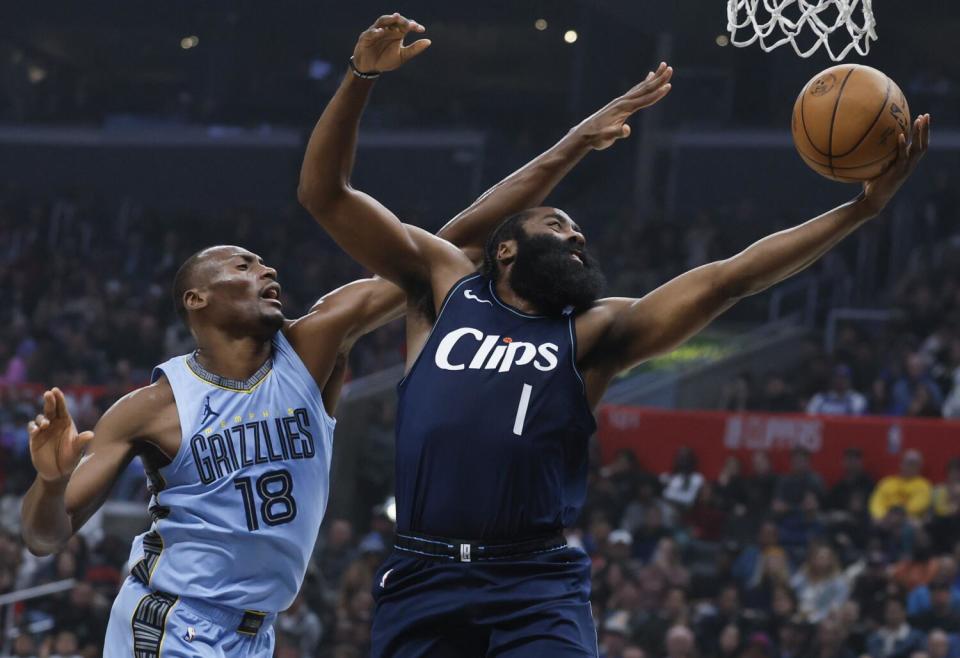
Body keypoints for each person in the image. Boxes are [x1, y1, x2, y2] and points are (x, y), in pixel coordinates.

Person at [306, 13, 930, 657]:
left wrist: (860, 211)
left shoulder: (594, 331)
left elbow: (728, 280)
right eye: (558, 224)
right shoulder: (441, 293)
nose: (577, 235)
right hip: (422, 576)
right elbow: (326, 194)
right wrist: (358, 80)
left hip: (532, 585)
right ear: (506, 251)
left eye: (580, 231)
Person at [17, 22, 614, 654]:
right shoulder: (151, 408)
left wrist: (572, 146)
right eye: (242, 265)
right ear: (196, 298)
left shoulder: (314, 344)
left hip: (257, 633)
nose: (266, 269)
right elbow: (45, 537)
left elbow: (462, 238)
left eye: (264, 263)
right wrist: (51, 484)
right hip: (168, 621)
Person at [870, 450, 933, 522]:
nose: (910, 467)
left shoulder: (924, 485)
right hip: (884, 519)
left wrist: (896, 517)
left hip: (907, 520)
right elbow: (876, 502)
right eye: (908, 463)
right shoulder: (887, 482)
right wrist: (882, 516)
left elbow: (918, 506)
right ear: (901, 464)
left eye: (914, 464)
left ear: (919, 467)